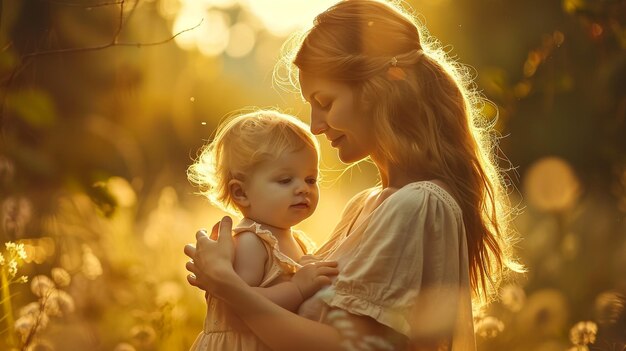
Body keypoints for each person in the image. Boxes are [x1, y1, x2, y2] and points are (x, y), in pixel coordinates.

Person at [184, 1, 523, 350]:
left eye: (325, 102)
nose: (314, 126)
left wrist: (228, 286)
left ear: (378, 90)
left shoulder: (418, 204)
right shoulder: (366, 205)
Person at [186, 109, 339, 351]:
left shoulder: (296, 240)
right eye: (285, 180)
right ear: (241, 193)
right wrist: (297, 288)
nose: (303, 188)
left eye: (310, 179)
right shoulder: (251, 242)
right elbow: (238, 309)